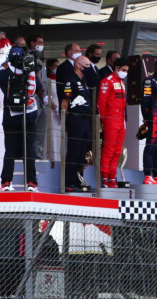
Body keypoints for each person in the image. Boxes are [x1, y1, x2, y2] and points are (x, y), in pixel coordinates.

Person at [0, 43, 40, 190]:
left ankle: (6, 182)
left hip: (10, 116)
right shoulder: (30, 70)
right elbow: (38, 88)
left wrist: (6, 65)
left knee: (10, 151)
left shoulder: (4, 73)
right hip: (28, 116)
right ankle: (31, 183)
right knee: (29, 151)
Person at [55, 44, 96, 192]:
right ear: (79, 65)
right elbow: (64, 103)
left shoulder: (85, 81)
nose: (89, 68)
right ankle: (69, 182)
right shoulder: (70, 81)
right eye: (86, 65)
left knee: (83, 151)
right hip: (75, 119)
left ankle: (79, 179)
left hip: (86, 119)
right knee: (73, 150)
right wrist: (64, 121)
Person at [98, 57, 129, 188]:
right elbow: (101, 103)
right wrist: (105, 121)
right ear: (116, 68)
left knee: (117, 151)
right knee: (108, 150)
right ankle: (105, 177)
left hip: (121, 121)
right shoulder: (107, 81)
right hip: (111, 121)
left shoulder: (121, 83)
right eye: (123, 70)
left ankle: (112, 177)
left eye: (127, 70)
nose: (125, 72)